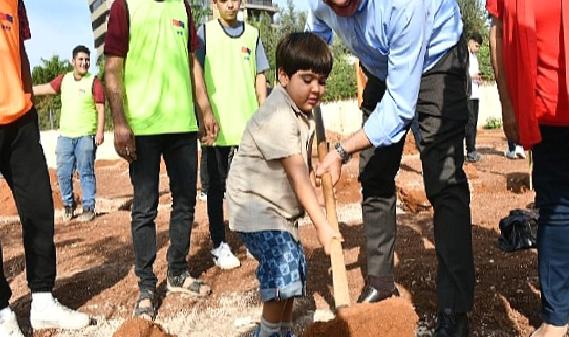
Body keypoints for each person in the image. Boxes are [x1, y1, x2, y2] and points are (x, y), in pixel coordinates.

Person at [307, 1, 473, 336]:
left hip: (436, 57)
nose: (342, 13)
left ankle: (455, 309)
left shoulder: (402, 4)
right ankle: (381, 283)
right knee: (375, 174)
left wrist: (340, 150)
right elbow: (315, 39)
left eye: (350, 4)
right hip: (383, 66)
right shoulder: (320, 3)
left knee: (444, 182)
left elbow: (399, 108)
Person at [104, 0, 218, 321]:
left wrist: (205, 109)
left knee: (185, 202)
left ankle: (178, 272)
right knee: (145, 208)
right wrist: (120, 121)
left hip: (182, 124)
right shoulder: (123, 5)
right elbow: (114, 66)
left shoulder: (181, 5)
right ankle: (146, 285)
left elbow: (193, 63)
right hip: (142, 128)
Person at [227, 32, 339, 337]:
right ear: (283, 76)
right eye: (307, 79)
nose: (316, 88)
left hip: (278, 210)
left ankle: (282, 329)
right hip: (256, 208)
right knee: (283, 263)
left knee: (294, 266)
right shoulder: (278, 114)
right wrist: (323, 226)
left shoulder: (303, 110)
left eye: (322, 80)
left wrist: (322, 166)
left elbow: (304, 162)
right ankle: (268, 333)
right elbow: (298, 176)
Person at [0, 1, 91, 335]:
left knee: (39, 207)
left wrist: (28, 103)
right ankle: (1, 314)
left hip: (20, 120)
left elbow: (20, 50)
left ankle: (42, 299)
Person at [488, 0, 569, 336]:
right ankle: (557, 314)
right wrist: (507, 105)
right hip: (546, 109)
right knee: (556, 210)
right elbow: (498, 30)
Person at [197, 0, 269, 270]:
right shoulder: (204, 32)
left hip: (247, 128)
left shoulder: (252, 35)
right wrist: (202, 115)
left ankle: (252, 239)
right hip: (215, 129)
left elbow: (260, 77)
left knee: (249, 188)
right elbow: (197, 75)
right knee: (215, 190)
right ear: (215, 2)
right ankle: (219, 244)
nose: (230, 3)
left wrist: (263, 116)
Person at [33, 45, 105, 222]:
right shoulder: (63, 80)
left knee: (86, 172)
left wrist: (100, 131)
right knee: (63, 173)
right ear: (73, 61)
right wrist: (24, 90)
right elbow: (48, 89)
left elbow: (101, 108)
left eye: (87, 60)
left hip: (86, 136)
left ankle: (88, 207)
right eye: (80, 59)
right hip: (65, 136)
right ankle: (68, 205)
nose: (84, 63)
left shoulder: (94, 81)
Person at [465, 32, 483, 163]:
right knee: (469, 123)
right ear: (470, 41)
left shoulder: (474, 57)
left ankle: (472, 149)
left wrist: (478, 79)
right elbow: (462, 74)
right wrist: (472, 78)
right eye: (476, 45)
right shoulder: (464, 56)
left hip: (475, 94)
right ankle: (470, 151)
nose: (477, 49)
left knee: (474, 122)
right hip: (468, 94)